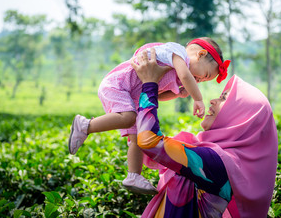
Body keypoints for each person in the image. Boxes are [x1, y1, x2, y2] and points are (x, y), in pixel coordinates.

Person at [68, 37, 231, 195]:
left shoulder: (176, 73)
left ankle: (133, 176)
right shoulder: (177, 52)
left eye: (204, 80)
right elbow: (186, 76)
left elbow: (157, 95)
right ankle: (85, 125)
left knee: (137, 138)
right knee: (129, 118)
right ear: (200, 54)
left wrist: (177, 94)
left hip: (131, 95)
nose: (201, 80)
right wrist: (198, 99)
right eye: (206, 74)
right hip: (118, 85)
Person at [130, 48, 278, 217]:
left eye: (223, 99)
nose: (213, 101)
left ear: (241, 118)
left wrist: (150, 84)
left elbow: (149, 141)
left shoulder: (218, 164)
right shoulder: (218, 158)